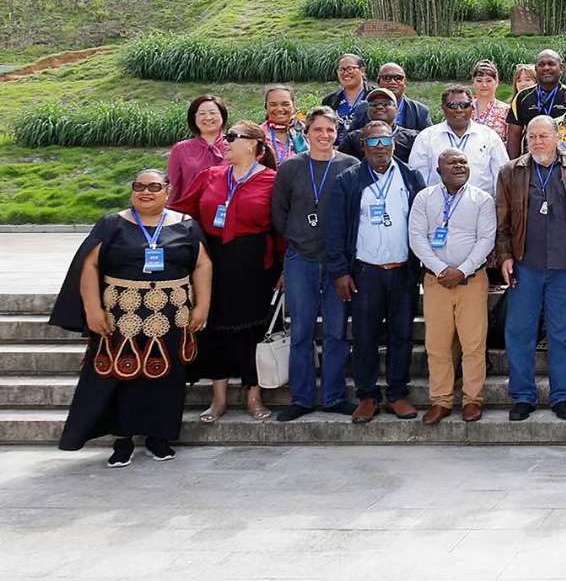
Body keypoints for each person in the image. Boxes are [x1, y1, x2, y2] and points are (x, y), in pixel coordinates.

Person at [53, 170, 211, 466]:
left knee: (167, 376)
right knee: (119, 376)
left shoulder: (186, 225)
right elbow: (89, 266)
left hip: (171, 314)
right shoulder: (112, 224)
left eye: (154, 186)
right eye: (139, 186)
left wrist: (202, 305)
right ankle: (122, 440)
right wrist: (92, 309)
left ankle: (159, 437)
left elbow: (202, 264)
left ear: (168, 190)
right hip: (120, 314)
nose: (146, 192)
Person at [170, 121, 280, 423]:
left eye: (232, 137)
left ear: (253, 145)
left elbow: (283, 229)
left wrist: (284, 268)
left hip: (254, 263)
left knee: (252, 330)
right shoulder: (211, 176)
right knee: (213, 327)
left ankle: (253, 395)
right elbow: (183, 213)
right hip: (213, 260)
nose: (225, 141)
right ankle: (217, 398)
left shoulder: (272, 180)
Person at [325, 120, 426, 423]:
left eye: (385, 142)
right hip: (364, 273)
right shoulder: (349, 180)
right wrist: (340, 272)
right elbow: (334, 230)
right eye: (373, 143)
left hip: (402, 272)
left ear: (394, 143)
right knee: (365, 336)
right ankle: (367, 395)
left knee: (402, 335)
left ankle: (397, 393)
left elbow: (423, 222)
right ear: (362, 146)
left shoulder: (411, 177)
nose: (380, 149)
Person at [268, 106, 358, 421]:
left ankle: (333, 397)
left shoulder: (350, 166)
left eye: (330, 130)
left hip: (337, 263)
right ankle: (302, 398)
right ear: (306, 135)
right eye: (317, 130)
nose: (324, 136)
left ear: (337, 134)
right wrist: (298, 236)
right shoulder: (291, 167)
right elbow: (278, 213)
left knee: (335, 331)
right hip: (300, 259)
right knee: (302, 330)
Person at [496, 115, 566, 421]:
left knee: (563, 332)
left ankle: (562, 395)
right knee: (520, 331)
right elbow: (502, 221)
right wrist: (505, 255)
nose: (537, 141)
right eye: (532, 136)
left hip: (565, 265)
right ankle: (523, 395)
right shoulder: (511, 171)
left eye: (543, 136)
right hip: (526, 264)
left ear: (557, 136)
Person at [406, 148, 496, 424]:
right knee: (437, 344)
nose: (459, 166)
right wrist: (441, 269)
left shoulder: (482, 199)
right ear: (438, 170)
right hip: (436, 282)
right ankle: (441, 401)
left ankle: (471, 400)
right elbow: (417, 237)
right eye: (452, 163)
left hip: (472, 280)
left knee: (473, 343)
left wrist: (462, 270)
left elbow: (486, 239)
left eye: (463, 162)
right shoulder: (424, 198)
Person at [408, 84, 507, 194]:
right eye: (452, 105)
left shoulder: (489, 137)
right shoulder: (426, 137)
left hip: (480, 206)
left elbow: (502, 176)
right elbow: (418, 179)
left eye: (464, 105)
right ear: (443, 108)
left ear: (472, 107)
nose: (459, 110)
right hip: (439, 205)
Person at [505, 49, 566, 156]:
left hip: (562, 158)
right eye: (541, 65)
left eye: (551, 64)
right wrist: (515, 165)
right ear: (536, 69)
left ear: (561, 68)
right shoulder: (522, 97)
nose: (546, 68)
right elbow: (514, 135)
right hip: (530, 159)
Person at [168, 94, 228, 196]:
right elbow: (173, 187)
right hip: (190, 209)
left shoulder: (236, 144)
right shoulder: (180, 149)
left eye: (213, 113)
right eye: (202, 114)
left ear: (222, 115)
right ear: (194, 118)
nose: (208, 118)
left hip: (228, 208)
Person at [339, 88, 418, 165]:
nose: (379, 107)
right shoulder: (353, 138)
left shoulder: (413, 138)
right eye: (373, 104)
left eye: (386, 104)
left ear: (396, 110)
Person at [364, 63, 430, 132]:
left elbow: (428, 138)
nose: (393, 82)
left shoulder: (420, 111)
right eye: (387, 78)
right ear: (378, 82)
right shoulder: (363, 107)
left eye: (398, 78)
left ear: (405, 83)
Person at [261, 84, 307, 165]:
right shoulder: (257, 134)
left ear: (293, 105)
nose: (279, 109)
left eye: (285, 104)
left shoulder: (306, 131)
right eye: (273, 104)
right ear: (266, 106)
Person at [321, 53, 372, 127]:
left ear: (362, 71)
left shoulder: (375, 95)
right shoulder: (329, 100)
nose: (345, 73)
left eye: (350, 69)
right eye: (341, 69)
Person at [469, 59, 510, 136]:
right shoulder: (466, 109)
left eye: (488, 81)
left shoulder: (506, 110)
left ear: (496, 82)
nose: (484, 85)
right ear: (473, 82)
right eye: (479, 81)